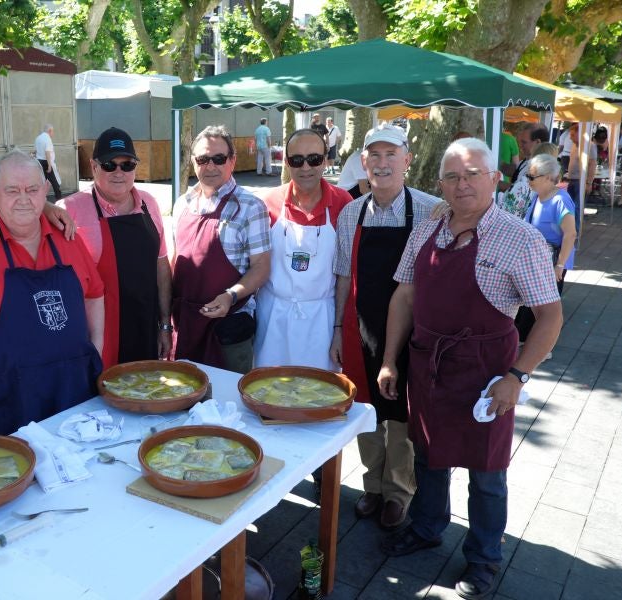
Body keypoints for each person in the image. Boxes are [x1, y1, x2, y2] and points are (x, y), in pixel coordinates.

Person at [377, 138, 562, 599]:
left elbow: (550, 317)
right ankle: (427, 527)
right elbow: (404, 296)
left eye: (473, 174)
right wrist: (389, 360)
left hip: (486, 373)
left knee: (487, 474)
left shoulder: (521, 239)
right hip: (428, 365)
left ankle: (483, 557)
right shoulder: (428, 228)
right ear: (440, 184)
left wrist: (517, 377)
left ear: (495, 178)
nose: (462, 185)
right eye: (453, 176)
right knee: (428, 456)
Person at [328, 124, 440, 529]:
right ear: (363, 162)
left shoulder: (432, 210)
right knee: (366, 411)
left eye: (391, 154)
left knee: (402, 415)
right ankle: (372, 485)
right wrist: (337, 330)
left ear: (407, 160)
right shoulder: (351, 212)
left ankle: (398, 491)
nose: (382, 163)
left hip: (414, 331)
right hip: (361, 329)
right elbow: (343, 276)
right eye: (374, 155)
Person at [0, 150, 103, 435]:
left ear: (45, 190)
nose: (23, 199)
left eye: (32, 190)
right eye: (12, 190)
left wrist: (95, 354)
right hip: (6, 397)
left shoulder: (67, 234)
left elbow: (95, 293)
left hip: (73, 391)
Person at [59, 127, 171, 369]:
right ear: (94, 167)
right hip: (97, 336)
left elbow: (161, 266)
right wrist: (46, 209)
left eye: (127, 165)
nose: (119, 172)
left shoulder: (150, 204)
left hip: (145, 328)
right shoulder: (70, 209)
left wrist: (165, 325)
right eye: (109, 165)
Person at [172, 125, 271, 373]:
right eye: (203, 159)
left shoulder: (251, 206)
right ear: (193, 162)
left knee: (229, 394)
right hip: (186, 323)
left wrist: (231, 296)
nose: (210, 166)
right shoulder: (182, 204)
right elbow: (176, 261)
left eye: (219, 159)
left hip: (228, 328)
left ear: (232, 161)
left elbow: (261, 267)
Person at [254, 129, 353, 370]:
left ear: (325, 160)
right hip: (273, 317)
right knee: (267, 385)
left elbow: (347, 273)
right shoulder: (267, 203)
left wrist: (339, 328)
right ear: (287, 163)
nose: (306, 167)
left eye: (314, 159)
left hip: (322, 320)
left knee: (319, 387)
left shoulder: (344, 203)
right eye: (297, 160)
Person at [515, 154, 576, 345]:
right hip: (537, 259)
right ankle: (524, 339)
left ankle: (543, 346)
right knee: (531, 303)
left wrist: (560, 265)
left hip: (552, 261)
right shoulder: (537, 197)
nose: (528, 180)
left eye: (532, 176)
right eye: (528, 175)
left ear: (549, 177)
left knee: (546, 308)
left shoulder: (560, 200)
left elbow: (570, 234)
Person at [498, 123, 549, 219]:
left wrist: (495, 183)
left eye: (524, 142)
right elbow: (515, 172)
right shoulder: (528, 160)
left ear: (537, 142)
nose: (520, 146)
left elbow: (521, 190)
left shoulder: (540, 166)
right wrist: (496, 161)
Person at [565, 125, 596, 206]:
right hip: (571, 180)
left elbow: (592, 165)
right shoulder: (574, 145)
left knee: (578, 206)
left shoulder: (590, 146)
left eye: (572, 135)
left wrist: (589, 183)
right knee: (570, 205)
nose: (570, 138)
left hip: (581, 181)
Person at [35, 124, 63, 200]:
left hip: (39, 162)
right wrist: (49, 166)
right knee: (55, 182)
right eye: (53, 131)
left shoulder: (38, 138)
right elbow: (47, 152)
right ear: (50, 131)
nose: (53, 133)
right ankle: (59, 199)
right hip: (47, 162)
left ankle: (41, 199)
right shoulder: (47, 139)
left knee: (42, 182)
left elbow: (36, 151)